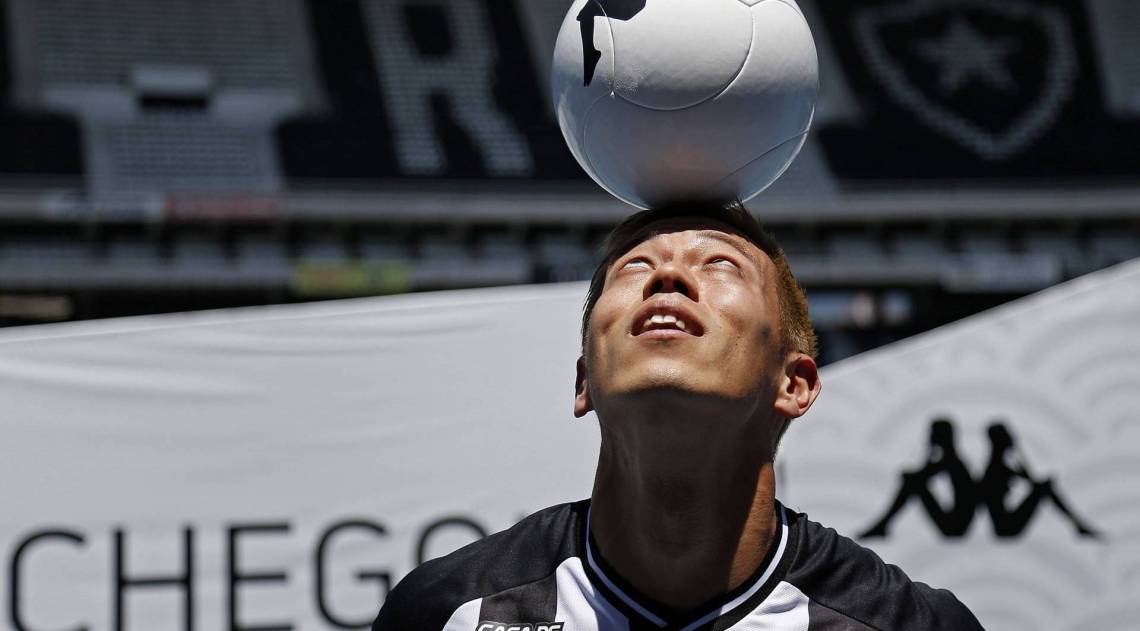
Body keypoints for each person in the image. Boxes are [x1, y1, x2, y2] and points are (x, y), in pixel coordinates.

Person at [373, 202, 983, 630]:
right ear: (585, 381)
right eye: (634, 267)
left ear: (794, 383)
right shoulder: (444, 611)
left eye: (720, 264)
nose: (667, 274)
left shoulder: (908, 624)